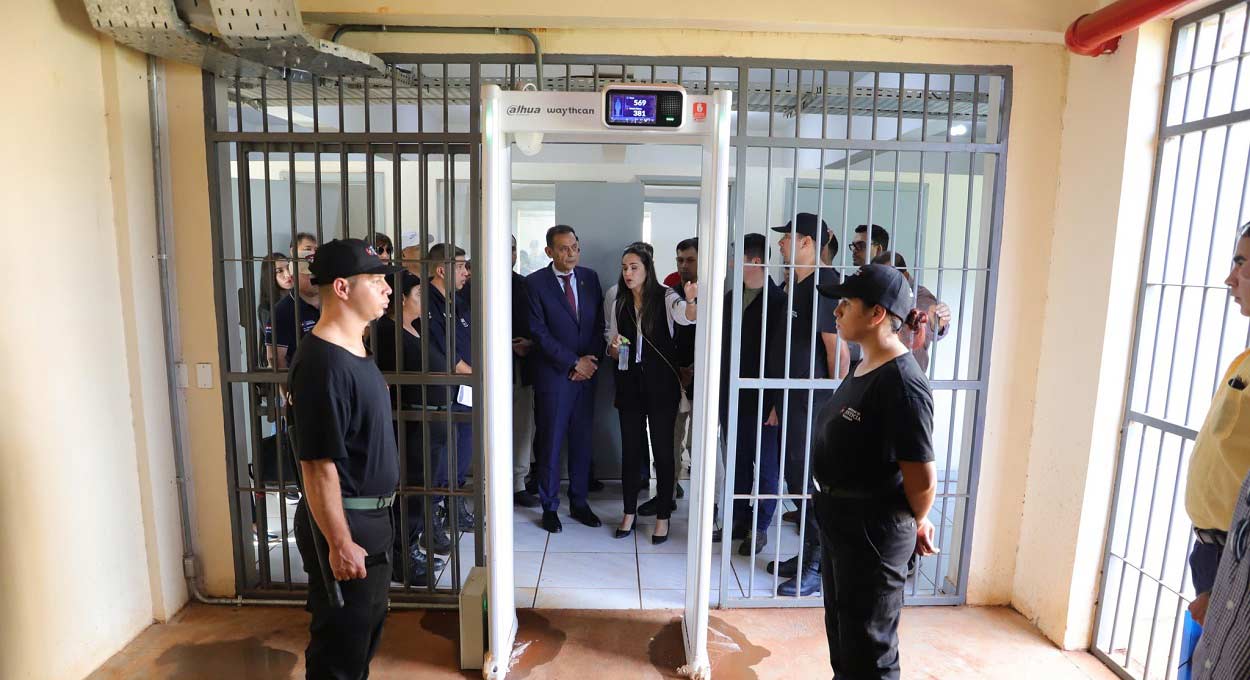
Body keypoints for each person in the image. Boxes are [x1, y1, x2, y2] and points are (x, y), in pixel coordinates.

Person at [811, 263, 937, 680]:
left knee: (871, 650)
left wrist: (917, 520)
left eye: (847, 303)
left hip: (872, 531)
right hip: (841, 521)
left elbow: (921, 477)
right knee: (846, 639)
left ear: (877, 314)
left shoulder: (903, 383)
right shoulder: (864, 365)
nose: (837, 311)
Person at [288, 238, 404, 679]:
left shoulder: (356, 351)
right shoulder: (322, 364)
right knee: (339, 650)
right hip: (347, 522)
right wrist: (339, 542)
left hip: (371, 521)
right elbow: (318, 466)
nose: (387, 290)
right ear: (341, 287)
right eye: (376, 281)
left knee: (361, 640)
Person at [769, 213, 851, 597]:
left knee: (812, 485)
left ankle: (817, 567)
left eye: (786, 238)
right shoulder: (795, 284)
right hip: (792, 399)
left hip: (816, 404)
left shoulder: (824, 284)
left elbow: (837, 350)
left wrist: (835, 406)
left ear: (805, 242)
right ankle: (805, 554)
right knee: (795, 479)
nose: (781, 245)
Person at [606, 244, 697, 544]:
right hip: (629, 383)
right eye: (624, 267)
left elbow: (686, 316)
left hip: (661, 385)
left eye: (634, 267)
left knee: (663, 451)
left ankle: (662, 516)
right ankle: (629, 512)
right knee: (631, 450)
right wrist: (614, 349)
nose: (628, 273)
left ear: (647, 269)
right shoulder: (618, 302)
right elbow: (612, 341)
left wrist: (693, 301)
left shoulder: (667, 297)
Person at [1184, 224, 1250, 635]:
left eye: (1241, 264)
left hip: (1238, 556)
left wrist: (1233, 579)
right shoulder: (1245, 356)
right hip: (1217, 552)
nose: (1231, 278)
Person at [526, 225, 606, 533]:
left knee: (582, 442)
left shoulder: (590, 278)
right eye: (563, 248)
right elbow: (538, 332)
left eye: (575, 247)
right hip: (554, 376)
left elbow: (600, 324)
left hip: (587, 375)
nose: (571, 253)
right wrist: (573, 361)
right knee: (551, 441)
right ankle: (549, 506)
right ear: (549, 251)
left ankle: (580, 502)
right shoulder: (535, 284)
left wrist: (589, 363)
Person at [373, 272, 450, 584]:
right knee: (410, 491)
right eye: (418, 293)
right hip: (409, 424)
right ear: (400, 298)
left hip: (429, 421)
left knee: (422, 490)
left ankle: (412, 547)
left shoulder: (416, 327)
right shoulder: (387, 332)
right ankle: (401, 557)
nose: (424, 299)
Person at [721, 233, 787, 556]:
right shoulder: (730, 298)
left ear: (755, 261)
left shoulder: (779, 301)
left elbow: (782, 357)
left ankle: (760, 528)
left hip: (763, 398)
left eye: (736, 258)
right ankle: (738, 519)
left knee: (766, 468)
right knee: (736, 462)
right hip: (731, 396)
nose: (732, 264)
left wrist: (776, 401)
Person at [639, 237, 698, 514]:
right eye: (680, 260)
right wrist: (678, 370)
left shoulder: (719, 293)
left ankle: (706, 500)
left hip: (706, 377)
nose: (684, 265)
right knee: (669, 438)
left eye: (690, 260)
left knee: (702, 442)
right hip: (675, 376)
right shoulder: (669, 293)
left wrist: (696, 370)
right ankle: (667, 492)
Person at [424, 243, 475, 532]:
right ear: (442, 270)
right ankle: (432, 518)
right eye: (461, 266)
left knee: (463, 453)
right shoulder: (429, 302)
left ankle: (455, 510)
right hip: (445, 391)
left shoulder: (458, 301)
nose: (466, 272)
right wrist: (474, 375)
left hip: (466, 389)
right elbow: (446, 354)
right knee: (443, 456)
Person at [871, 252, 952, 373]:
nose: (882, 282)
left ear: (905, 275)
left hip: (906, 376)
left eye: (888, 277)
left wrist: (936, 325)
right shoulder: (877, 293)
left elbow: (928, 320)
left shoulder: (920, 297)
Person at [511, 235, 540, 508]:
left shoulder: (525, 285)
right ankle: (487, 480)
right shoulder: (472, 286)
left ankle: (518, 483)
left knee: (522, 426)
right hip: (481, 369)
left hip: (522, 366)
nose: (508, 254)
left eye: (511, 249)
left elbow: (536, 322)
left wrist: (530, 343)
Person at [266, 233, 320, 370]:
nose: (314, 277)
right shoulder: (282, 312)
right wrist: (289, 391)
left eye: (317, 272)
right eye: (308, 273)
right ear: (293, 274)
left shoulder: (334, 303)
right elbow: (276, 359)